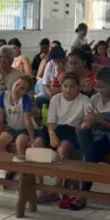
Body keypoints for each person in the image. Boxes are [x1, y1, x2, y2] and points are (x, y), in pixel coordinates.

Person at [73, 67, 110, 208]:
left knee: (89, 157)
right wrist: (88, 123)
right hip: (95, 136)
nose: (98, 90)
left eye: (102, 87)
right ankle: (82, 194)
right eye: (96, 86)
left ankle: (82, 195)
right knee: (81, 132)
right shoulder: (94, 98)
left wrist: (101, 121)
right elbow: (89, 120)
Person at [33, 72, 92, 202]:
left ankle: (57, 188)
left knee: (62, 149)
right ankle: (39, 185)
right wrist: (52, 134)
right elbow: (51, 121)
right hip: (55, 128)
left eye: (72, 86)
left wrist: (86, 123)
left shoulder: (84, 100)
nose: (68, 89)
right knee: (36, 145)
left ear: (77, 87)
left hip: (72, 131)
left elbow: (87, 120)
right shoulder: (56, 99)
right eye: (65, 86)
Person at [0, 76, 36, 162]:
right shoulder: (4, 96)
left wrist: (32, 138)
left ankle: (20, 169)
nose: (17, 89)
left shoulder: (25, 99)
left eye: (22, 88)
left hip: (23, 130)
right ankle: (8, 167)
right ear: (13, 83)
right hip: (11, 129)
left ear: (25, 92)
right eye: (17, 84)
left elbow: (27, 120)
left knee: (20, 143)